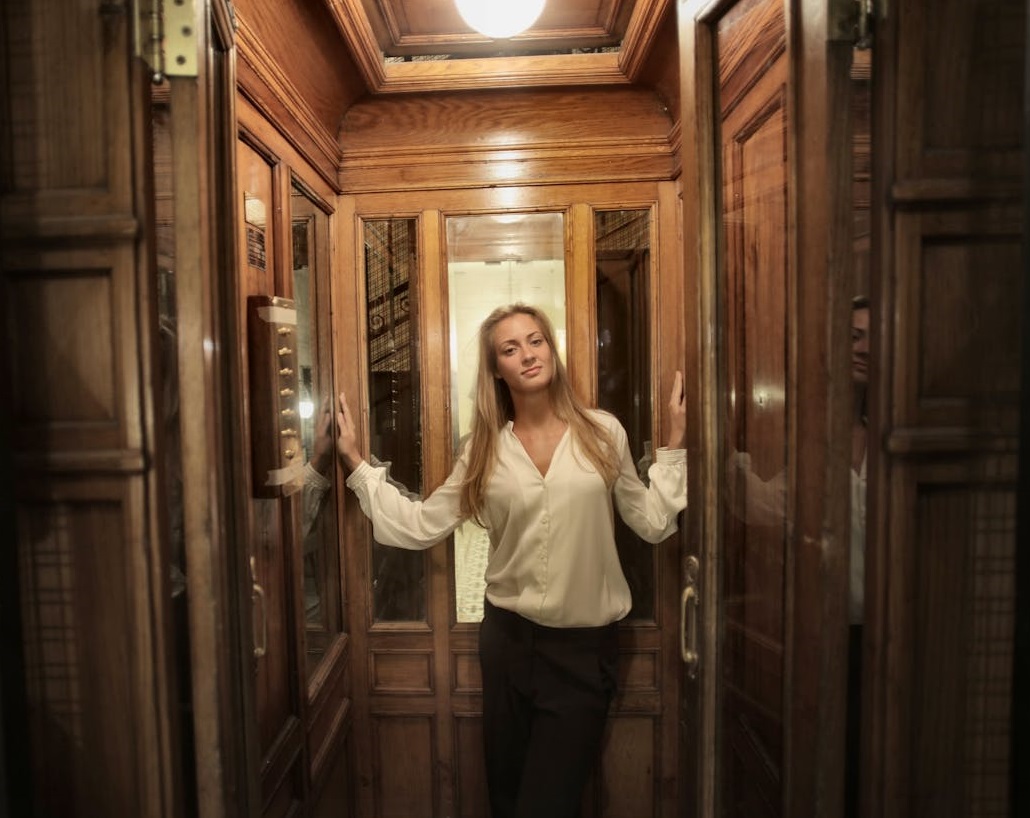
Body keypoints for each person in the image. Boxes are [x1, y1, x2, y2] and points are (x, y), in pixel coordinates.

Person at [334, 303, 688, 818]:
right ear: (496, 369)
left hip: (583, 653)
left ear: (552, 350)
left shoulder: (603, 432)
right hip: (507, 644)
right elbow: (418, 525)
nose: (527, 354)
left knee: (549, 802)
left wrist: (674, 448)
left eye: (536, 340)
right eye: (510, 348)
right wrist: (356, 463)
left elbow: (653, 521)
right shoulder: (483, 450)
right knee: (506, 795)